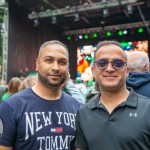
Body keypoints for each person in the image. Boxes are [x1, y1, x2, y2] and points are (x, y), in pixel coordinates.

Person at [0, 40, 80, 150]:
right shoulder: (10, 107)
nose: (55, 67)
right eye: (49, 60)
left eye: (62, 62)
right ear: (37, 64)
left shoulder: (77, 107)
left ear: (67, 67)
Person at [75, 40, 150, 150]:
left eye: (118, 64)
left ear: (127, 71)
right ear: (93, 71)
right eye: (102, 63)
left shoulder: (147, 109)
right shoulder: (83, 113)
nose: (109, 69)